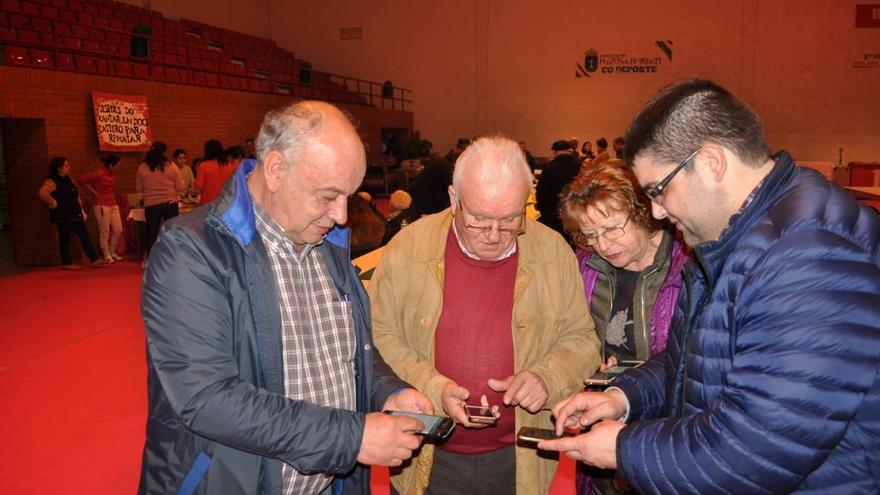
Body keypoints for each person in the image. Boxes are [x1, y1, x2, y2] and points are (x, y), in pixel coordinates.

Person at [540, 79, 880, 494]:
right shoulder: (729, 241)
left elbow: (757, 449)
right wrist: (621, 397)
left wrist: (624, 448)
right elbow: (686, 363)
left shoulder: (809, 253)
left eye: (659, 190)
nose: (657, 212)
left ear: (712, 162)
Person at [138, 101, 433, 495]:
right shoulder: (191, 250)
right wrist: (351, 437)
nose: (341, 215)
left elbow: (347, 353)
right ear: (276, 170)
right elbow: (206, 397)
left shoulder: (325, 241)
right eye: (327, 195)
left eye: (347, 196)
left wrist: (389, 390)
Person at [369, 135, 601, 495]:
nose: (494, 235)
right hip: (426, 453)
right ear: (452, 199)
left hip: (517, 457)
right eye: (478, 218)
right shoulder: (406, 249)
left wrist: (546, 378)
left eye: (510, 219)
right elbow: (379, 338)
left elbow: (583, 342)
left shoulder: (553, 251)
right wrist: (433, 387)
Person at [558, 163, 688, 494]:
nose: (602, 244)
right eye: (591, 234)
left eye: (613, 228)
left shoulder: (686, 264)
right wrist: (592, 364)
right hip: (604, 418)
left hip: (669, 426)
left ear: (644, 211)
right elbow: (575, 333)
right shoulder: (584, 264)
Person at [37, 157, 107, 270]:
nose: (69, 167)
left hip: (75, 213)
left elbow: (76, 196)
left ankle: (94, 259)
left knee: (85, 236)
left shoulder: (69, 179)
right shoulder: (51, 181)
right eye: (66, 166)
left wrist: (82, 210)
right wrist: (52, 202)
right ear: (59, 169)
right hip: (63, 216)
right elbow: (42, 193)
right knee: (64, 239)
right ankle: (67, 263)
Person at [136, 141, 183, 261]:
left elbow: (139, 188)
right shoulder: (171, 166)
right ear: (164, 152)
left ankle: (149, 260)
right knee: (170, 232)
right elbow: (180, 186)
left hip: (151, 204)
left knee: (151, 232)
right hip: (170, 203)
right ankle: (172, 259)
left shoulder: (143, 167)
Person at [79, 154, 125, 263]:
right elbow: (81, 180)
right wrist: (93, 191)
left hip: (113, 203)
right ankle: (106, 254)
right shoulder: (99, 173)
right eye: (117, 165)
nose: (118, 168)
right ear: (110, 165)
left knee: (118, 229)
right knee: (105, 231)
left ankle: (112, 251)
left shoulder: (111, 173)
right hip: (101, 204)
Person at [535, 139, 582, 242]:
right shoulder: (579, 165)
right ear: (569, 151)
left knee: (554, 241)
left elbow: (541, 191)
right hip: (574, 210)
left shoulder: (550, 167)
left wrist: (541, 208)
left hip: (553, 213)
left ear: (555, 152)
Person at [193, 139, 236, 205]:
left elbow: (198, 186)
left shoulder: (204, 166)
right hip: (225, 203)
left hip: (208, 204)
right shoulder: (230, 166)